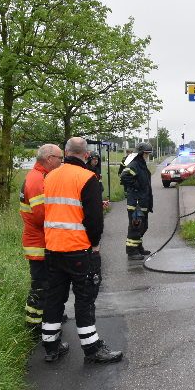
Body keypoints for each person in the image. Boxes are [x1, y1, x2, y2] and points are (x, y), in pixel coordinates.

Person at [41, 137, 122, 364]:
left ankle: (50, 345)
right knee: (85, 299)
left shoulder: (50, 176)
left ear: (66, 153)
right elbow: (94, 220)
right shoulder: (88, 178)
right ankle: (92, 348)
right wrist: (95, 244)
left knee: (55, 297)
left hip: (53, 248)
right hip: (78, 249)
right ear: (86, 155)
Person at [19, 143, 64, 332]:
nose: (61, 162)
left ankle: (47, 316)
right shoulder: (37, 180)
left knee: (48, 283)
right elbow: (41, 216)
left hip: (41, 241)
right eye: (60, 159)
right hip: (38, 244)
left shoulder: (39, 176)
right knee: (41, 286)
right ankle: (34, 326)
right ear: (49, 159)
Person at [120, 142, 154, 260]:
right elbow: (124, 176)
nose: (147, 155)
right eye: (146, 153)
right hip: (136, 203)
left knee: (143, 227)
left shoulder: (141, 164)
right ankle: (131, 251)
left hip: (142, 202)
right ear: (141, 153)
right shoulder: (134, 164)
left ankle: (138, 247)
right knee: (135, 226)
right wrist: (136, 185)